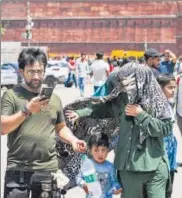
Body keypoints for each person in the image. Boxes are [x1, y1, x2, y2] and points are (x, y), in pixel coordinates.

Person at [65, 53, 173, 198]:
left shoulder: (157, 101)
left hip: (155, 166)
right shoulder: (122, 98)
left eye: (129, 82)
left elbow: (165, 129)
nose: (126, 85)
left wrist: (141, 115)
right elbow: (104, 108)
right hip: (129, 168)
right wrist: (81, 113)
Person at [1, 48, 86, 198]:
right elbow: (3, 127)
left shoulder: (54, 99)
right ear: (21, 71)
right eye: (31, 72)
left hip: (47, 169)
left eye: (40, 71)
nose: (36, 76)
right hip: (18, 169)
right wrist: (27, 110)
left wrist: (73, 140)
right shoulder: (11, 96)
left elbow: (61, 127)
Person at [76, 133, 122, 198]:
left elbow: (114, 182)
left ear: (108, 150)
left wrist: (117, 188)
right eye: (96, 150)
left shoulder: (110, 167)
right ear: (90, 151)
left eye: (103, 150)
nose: (100, 154)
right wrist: (83, 184)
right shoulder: (87, 165)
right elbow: (79, 178)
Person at [157, 75, 177, 198]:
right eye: (170, 87)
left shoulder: (168, 103)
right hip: (161, 149)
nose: (173, 91)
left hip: (170, 149)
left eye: (175, 87)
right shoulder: (156, 106)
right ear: (160, 87)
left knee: (169, 185)